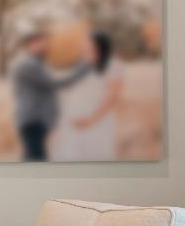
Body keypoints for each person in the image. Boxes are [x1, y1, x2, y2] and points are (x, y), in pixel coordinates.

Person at [10, 31, 91, 161]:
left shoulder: (36, 62)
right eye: (40, 43)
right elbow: (56, 83)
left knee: (32, 157)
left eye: (45, 43)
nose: (45, 46)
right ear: (30, 44)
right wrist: (85, 66)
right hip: (33, 118)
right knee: (37, 159)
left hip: (35, 118)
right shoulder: (28, 64)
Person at [54, 31, 124, 161]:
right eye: (84, 43)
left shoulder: (113, 65)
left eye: (87, 43)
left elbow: (112, 98)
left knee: (94, 156)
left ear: (99, 45)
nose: (83, 46)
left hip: (96, 121)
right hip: (72, 121)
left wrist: (90, 120)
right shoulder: (83, 64)